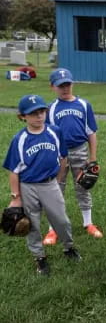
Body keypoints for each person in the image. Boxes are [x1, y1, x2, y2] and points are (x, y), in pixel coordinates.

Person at [3, 95, 82, 276]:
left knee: (61, 219)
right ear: (22, 116)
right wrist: (16, 197)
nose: (39, 116)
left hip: (50, 183)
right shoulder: (20, 139)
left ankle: (69, 247)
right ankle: (39, 257)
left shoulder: (55, 132)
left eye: (41, 111)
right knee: (32, 224)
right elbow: (14, 170)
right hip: (28, 186)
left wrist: (58, 178)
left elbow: (63, 157)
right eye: (33, 113)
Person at [42, 68, 103, 245]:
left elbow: (91, 132)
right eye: (60, 85)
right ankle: (53, 229)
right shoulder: (51, 108)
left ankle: (88, 223)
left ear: (72, 83)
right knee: (55, 189)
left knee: (83, 186)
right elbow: (48, 135)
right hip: (59, 154)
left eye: (67, 84)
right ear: (52, 87)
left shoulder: (84, 105)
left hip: (80, 150)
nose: (65, 88)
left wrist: (92, 156)